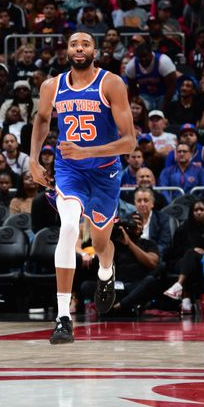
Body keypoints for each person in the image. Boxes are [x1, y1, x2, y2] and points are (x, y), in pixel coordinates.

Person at [30, 32, 136, 344]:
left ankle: (106, 271)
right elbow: (41, 120)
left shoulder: (111, 83)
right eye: (74, 44)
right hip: (69, 170)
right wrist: (33, 161)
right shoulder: (52, 86)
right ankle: (63, 316)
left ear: (95, 51)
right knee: (68, 227)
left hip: (104, 173)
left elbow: (129, 141)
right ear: (67, 50)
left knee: (102, 243)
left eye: (85, 44)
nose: (79, 48)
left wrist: (87, 152)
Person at [163, 200, 204, 313]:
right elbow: (175, 251)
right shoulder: (182, 229)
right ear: (191, 212)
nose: (198, 212)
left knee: (195, 261)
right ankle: (184, 295)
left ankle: (183, 294)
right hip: (182, 261)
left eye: (201, 210)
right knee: (191, 255)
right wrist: (191, 250)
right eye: (196, 210)